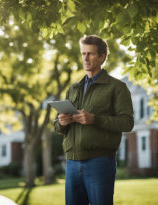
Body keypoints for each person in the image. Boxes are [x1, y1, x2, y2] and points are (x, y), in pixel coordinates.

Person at [54, 35, 134, 205]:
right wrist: (62, 122)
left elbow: (127, 123)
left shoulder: (117, 88)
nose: (85, 58)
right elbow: (58, 127)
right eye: (83, 54)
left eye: (90, 54)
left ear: (102, 56)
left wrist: (95, 120)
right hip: (72, 163)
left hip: (100, 162)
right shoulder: (73, 89)